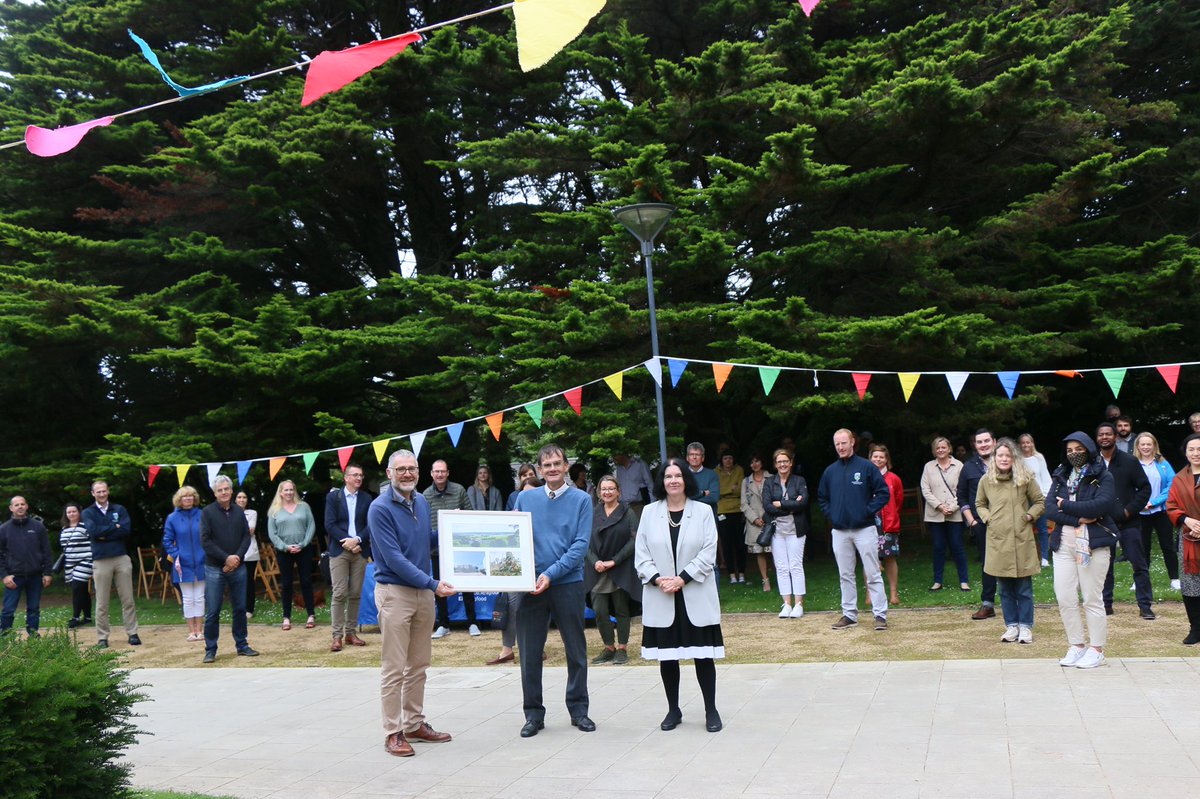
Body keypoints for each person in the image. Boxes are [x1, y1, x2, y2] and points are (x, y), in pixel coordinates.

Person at [369, 450, 455, 756]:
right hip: (395, 593)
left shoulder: (420, 501)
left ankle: (414, 724)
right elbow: (393, 558)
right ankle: (393, 731)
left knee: (418, 664)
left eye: (412, 469)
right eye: (401, 469)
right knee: (394, 667)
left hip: (423, 594)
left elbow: (423, 542)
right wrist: (433, 584)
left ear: (419, 473)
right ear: (390, 473)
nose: (407, 474)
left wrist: (454, 531)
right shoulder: (379, 509)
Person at [635, 459, 724, 733]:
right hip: (662, 594)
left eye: (678, 475)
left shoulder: (703, 512)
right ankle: (673, 709)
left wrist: (682, 578)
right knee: (668, 657)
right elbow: (641, 554)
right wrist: (659, 579)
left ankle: (711, 709)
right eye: (668, 476)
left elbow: (709, 552)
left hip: (694, 592)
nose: (673, 480)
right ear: (662, 481)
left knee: (703, 657)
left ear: (686, 479)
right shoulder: (649, 512)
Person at [513, 444, 594, 738]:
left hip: (567, 584)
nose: (552, 469)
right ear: (539, 469)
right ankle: (533, 715)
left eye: (557, 463)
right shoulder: (525, 498)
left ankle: (578, 710)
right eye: (546, 465)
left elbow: (580, 547)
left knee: (576, 650)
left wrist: (550, 574)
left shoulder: (582, 500)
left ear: (566, 465)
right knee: (530, 653)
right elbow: (513, 538)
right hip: (530, 587)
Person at [1045, 432, 1120, 669]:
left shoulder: (1102, 475)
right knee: (1065, 596)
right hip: (1063, 542)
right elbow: (1049, 509)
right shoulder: (1060, 475)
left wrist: (1065, 505)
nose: (1073, 454)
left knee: (1091, 597)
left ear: (1088, 449)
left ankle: (1096, 649)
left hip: (1093, 543)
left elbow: (1102, 505)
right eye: (1069, 450)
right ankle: (1076, 645)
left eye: (1078, 449)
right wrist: (1079, 517)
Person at [975, 438, 1045, 644]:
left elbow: (1040, 501)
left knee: (1024, 588)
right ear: (994, 458)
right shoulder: (986, 480)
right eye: (1000, 455)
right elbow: (979, 503)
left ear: (1014, 458)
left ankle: (1025, 626)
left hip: (1021, 540)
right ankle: (1011, 625)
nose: (1004, 459)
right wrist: (988, 518)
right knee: (1004, 589)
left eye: (1008, 455)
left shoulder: (1025, 478)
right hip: (998, 542)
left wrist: (1029, 516)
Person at [818, 429, 890, 631]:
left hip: (864, 529)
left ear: (852, 442)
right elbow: (822, 498)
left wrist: (867, 511)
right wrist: (832, 515)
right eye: (837, 444)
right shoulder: (830, 471)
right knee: (845, 574)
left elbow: (883, 493)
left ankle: (880, 615)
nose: (840, 447)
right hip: (840, 531)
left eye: (844, 443)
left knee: (873, 572)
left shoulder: (867, 467)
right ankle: (849, 614)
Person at [1095, 421, 1153, 619]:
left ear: (1115, 437)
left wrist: (1129, 511)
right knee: (1104, 566)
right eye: (1101, 434)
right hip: (1102, 522)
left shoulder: (1129, 461)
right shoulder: (1093, 463)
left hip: (1129, 522)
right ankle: (1106, 604)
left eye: (1108, 434)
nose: (1105, 437)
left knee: (1139, 564)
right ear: (1097, 438)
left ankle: (1145, 605)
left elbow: (1145, 488)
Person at [199, 475, 258, 662]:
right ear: (214, 493)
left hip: (238, 567)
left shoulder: (239, 512)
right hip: (214, 568)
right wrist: (226, 558)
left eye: (226, 489)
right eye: (220, 490)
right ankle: (210, 649)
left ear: (231, 491)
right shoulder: (207, 513)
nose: (224, 492)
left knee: (240, 608)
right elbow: (205, 541)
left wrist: (237, 558)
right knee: (213, 611)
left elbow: (246, 538)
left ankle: (242, 645)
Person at [585, 475, 639, 665]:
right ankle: (609, 647)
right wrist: (595, 562)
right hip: (597, 569)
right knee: (599, 610)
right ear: (599, 492)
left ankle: (622, 648)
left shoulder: (627, 513)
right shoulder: (592, 512)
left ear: (618, 491)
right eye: (604, 489)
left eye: (611, 488)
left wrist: (614, 561)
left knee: (621, 610)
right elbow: (584, 542)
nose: (607, 492)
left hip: (619, 567)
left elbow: (635, 540)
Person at [490, 464, 540, 665]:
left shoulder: (547, 511)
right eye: (524, 494)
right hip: (517, 563)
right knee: (511, 605)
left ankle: (537, 646)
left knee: (537, 607)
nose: (528, 498)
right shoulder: (515, 508)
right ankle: (507, 648)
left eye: (533, 494)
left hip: (540, 564)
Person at [82, 481, 139, 648]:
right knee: (102, 601)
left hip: (121, 557)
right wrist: (114, 527)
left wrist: (105, 532)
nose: (101, 494)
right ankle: (102, 636)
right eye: (98, 492)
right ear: (93, 493)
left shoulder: (119, 509)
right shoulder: (88, 512)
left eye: (104, 491)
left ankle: (132, 632)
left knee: (128, 598)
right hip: (101, 559)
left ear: (108, 491)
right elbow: (93, 532)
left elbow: (125, 530)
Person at [423, 460, 476, 639]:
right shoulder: (426, 495)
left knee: (467, 584)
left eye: (442, 472)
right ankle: (443, 624)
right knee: (439, 586)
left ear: (448, 473)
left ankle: (472, 622)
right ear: (431, 473)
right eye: (436, 472)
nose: (439, 475)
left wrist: (460, 515)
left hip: (459, 546)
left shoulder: (459, 490)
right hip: (437, 550)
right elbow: (423, 522)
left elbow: (470, 513)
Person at [326, 463, 372, 652]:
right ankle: (337, 636)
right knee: (339, 593)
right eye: (355, 475)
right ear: (346, 478)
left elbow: (371, 524)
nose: (359, 478)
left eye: (361, 475)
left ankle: (351, 633)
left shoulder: (367, 498)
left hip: (360, 549)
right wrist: (346, 541)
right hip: (340, 550)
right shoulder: (334, 497)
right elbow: (330, 524)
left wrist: (357, 540)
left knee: (355, 593)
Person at [763, 448, 808, 618]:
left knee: (795, 566)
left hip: (796, 530)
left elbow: (803, 504)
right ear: (775, 464)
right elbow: (767, 506)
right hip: (777, 531)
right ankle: (786, 604)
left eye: (785, 461)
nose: (782, 464)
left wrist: (780, 504)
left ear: (791, 463)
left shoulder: (799, 480)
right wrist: (790, 506)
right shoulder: (769, 482)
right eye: (779, 461)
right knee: (781, 568)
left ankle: (798, 604)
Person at [266, 480, 317, 630]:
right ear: (280, 492)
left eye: (291, 490)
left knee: (306, 581)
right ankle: (286, 617)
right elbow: (272, 533)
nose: (289, 493)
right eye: (286, 490)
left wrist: (303, 543)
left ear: (294, 491)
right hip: (284, 551)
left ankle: (311, 614)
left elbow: (311, 525)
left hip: (304, 549)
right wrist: (284, 547)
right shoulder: (274, 510)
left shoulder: (304, 507)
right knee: (287, 583)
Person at [920, 437, 969, 592]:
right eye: (937, 448)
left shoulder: (959, 466)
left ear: (949, 449)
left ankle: (964, 581)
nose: (940, 450)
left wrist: (953, 507)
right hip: (935, 514)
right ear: (934, 450)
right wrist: (940, 506)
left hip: (954, 514)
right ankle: (938, 581)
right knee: (938, 547)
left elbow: (962, 489)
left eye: (943, 447)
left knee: (957, 546)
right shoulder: (928, 467)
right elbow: (925, 490)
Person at [958, 429, 998, 620]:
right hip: (981, 523)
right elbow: (962, 495)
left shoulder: (1005, 462)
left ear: (994, 442)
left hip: (1007, 521)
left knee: (1011, 561)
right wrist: (971, 520)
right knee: (987, 563)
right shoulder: (968, 467)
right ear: (975, 445)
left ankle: (1015, 601)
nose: (983, 445)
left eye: (986, 441)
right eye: (979, 442)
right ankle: (988, 604)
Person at [0, 496, 52, 637]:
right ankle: (4, 636)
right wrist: (4, 575)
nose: (20, 507)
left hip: (35, 575)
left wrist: (48, 572)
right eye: (16, 505)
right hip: (14, 577)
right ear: (11, 508)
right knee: (8, 609)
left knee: (34, 608)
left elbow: (47, 551)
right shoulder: (4, 529)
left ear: (27, 506)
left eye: (22, 504)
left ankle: (33, 635)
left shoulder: (38, 527)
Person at [1165, 433, 1200, 645]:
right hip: (1188, 537)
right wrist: (1188, 521)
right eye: (1192, 450)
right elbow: (1171, 506)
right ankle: (1195, 628)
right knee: (1190, 585)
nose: (1196, 453)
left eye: (1199, 449)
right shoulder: (1179, 478)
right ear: (1185, 453)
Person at [1134, 432, 1180, 591]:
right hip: (1139, 513)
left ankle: (1175, 579)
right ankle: (1140, 580)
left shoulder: (1163, 463)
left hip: (1160, 512)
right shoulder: (1132, 463)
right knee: (1142, 547)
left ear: (1154, 445)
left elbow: (1171, 485)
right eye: (1143, 444)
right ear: (1138, 446)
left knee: (1168, 546)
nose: (1146, 447)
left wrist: (1154, 502)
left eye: (1149, 444)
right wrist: (1139, 503)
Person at [162, 485, 205, 642]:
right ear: (179, 500)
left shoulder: (202, 515)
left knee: (199, 597)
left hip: (201, 562)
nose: (188, 499)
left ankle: (200, 630)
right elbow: (167, 540)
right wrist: (176, 555)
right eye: (184, 496)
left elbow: (208, 535)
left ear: (194, 498)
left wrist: (206, 553)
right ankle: (191, 631)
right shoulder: (172, 518)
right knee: (187, 598)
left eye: (191, 496)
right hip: (183, 564)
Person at [870, 444, 904, 606]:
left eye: (881, 457)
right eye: (875, 456)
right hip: (868, 523)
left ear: (886, 459)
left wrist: (891, 515)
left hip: (888, 523)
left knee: (890, 558)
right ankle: (870, 593)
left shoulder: (894, 479)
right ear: (870, 458)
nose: (878, 459)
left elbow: (898, 501)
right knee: (869, 559)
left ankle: (893, 593)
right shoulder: (864, 477)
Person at [1019, 434, 1053, 566]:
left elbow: (1045, 476)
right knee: (1025, 528)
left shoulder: (1039, 458)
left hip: (1039, 497)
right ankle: (1028, 557)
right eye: (1023, 443)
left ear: (1032, 443)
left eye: (1028, 442)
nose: (1026, 445)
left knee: (1042, 528)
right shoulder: (1018, 460)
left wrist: (1045, 496)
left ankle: (1044, 558)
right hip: (1024, 498)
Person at [740, 455, 772, 592]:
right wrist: (755, 519)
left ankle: (783, 578)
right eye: (751, 461)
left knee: (776, 550)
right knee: (759, 552)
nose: (754, 464)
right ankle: (765, 580)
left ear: (762, 462)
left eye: (757, 460)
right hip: (754, 522)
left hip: (771, 519)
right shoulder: (746, 482)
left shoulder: (771, 478)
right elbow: (743, 504)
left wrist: (768, 516)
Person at [59, 502, 93, 628]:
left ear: (79, 512)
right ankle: (88, 617)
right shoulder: (64, 528)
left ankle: (75, 617)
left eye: (74, 511)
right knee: (82, 590)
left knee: (77, 588)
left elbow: (93, 542)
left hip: (85, 561)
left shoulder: (86, 526)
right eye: (69, 512)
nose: (71, 514)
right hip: (70, 563)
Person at [715, 452, 746, 584]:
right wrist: (731, 489)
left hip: (738, 509)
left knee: (740, 543)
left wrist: (727, 491)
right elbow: (717, 491)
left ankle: (742, 573)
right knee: (726, 544)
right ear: (721, 460)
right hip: (722, 510)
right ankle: (732, 574)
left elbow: (742, 489)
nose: (728, 461)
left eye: (730, 458)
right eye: (725, 458)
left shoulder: (739, 470)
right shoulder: (715, 472)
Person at [235, 491, 259, 618]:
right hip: (234, 552)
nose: (242, 499)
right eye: (239, 497)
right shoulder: (228, 513)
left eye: (244, 497)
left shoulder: (252, 513)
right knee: (236, 580)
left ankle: (249, 609)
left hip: (249, 552)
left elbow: (250, 530)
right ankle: (239, 607)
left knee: (249, 580)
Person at [686, 443, 719, 520]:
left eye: (697, 454)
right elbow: (682, 496)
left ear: (703, 458)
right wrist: (702, 493)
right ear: (687, 458)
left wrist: (690, 498)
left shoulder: (712, 474)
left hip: (708, 517)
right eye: (691, 454)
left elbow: (714, 497)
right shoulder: (681, 474)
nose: (694, 457)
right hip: (687, 517)